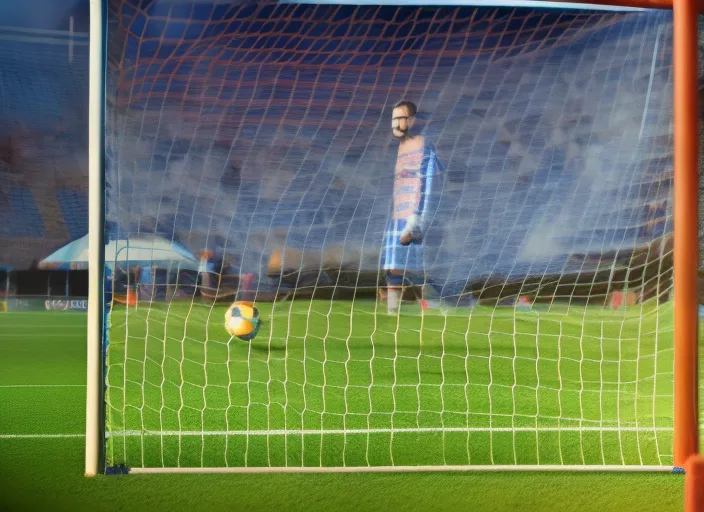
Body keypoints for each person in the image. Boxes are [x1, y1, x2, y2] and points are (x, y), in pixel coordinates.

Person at [381, 100, 445, 315]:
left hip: (413, 214)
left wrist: (419, 217)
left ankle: (435, 303)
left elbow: (431, 180)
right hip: (397, 214)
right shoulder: (397, 149)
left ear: (412, 120)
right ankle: (392, 312)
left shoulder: (423, 144)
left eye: (402, 118)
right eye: (394, 118)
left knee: (412, 267)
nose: (397, 123)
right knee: (393, 266)